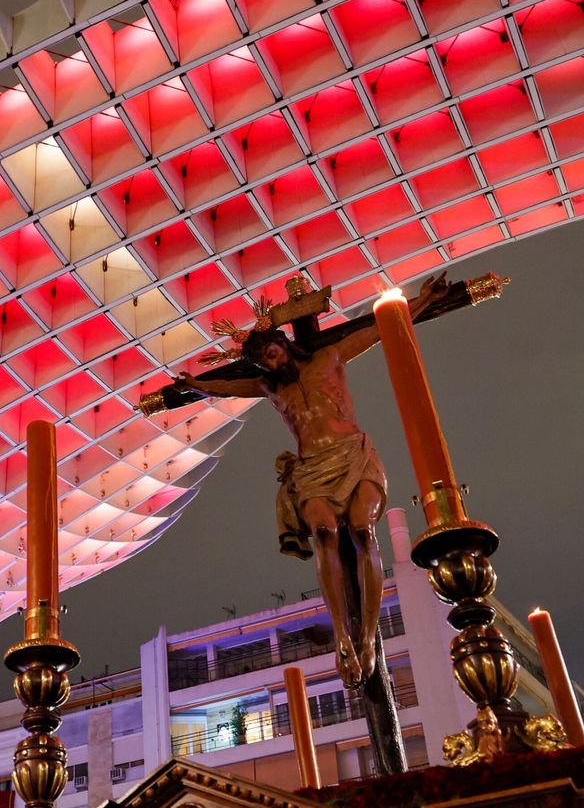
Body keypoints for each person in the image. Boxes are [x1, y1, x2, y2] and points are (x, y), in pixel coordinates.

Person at [174, 273, 452, 688]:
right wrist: (196, 385)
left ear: (284, 344)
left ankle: (367, 637)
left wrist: (424, 300)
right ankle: (342, 636)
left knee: (363, 531)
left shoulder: (329, 357)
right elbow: (228, 386)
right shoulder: (268, 387)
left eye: (273, 353)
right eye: (265, 361)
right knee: (324, 532)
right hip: (312, 470)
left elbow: (378, 330)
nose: (273, 363)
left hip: (353, 455)